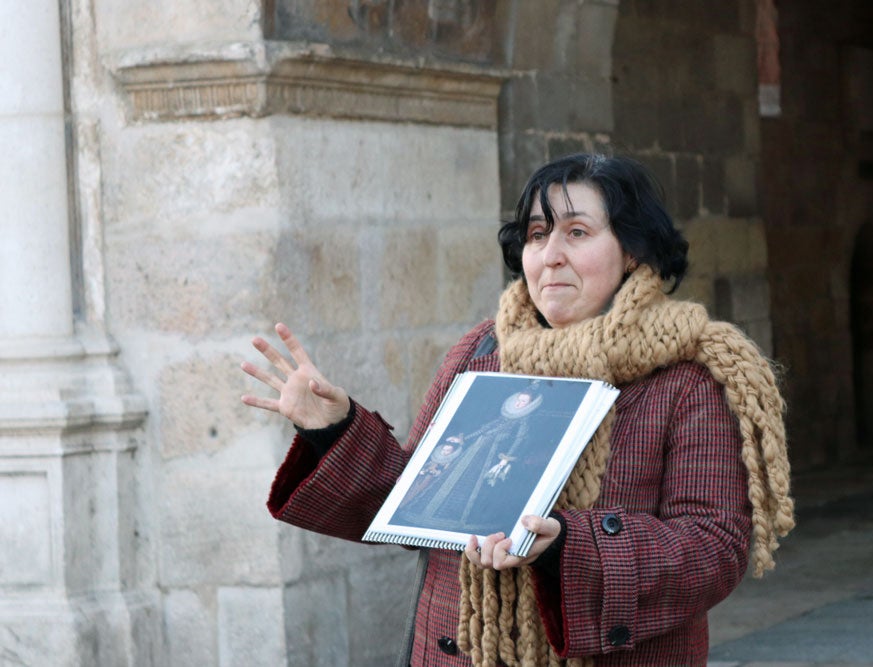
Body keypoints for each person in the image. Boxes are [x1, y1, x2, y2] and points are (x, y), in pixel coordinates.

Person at [241, 153, 795, 666]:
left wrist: (568, 547)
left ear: (632, 251)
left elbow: (713, 546)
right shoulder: (481, 352)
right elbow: (419, 501)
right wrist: (332, 430)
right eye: (537, 234)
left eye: (577, 232)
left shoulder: (688, 378)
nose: (551, 254)